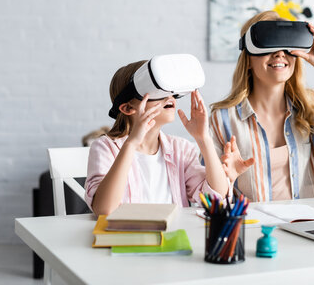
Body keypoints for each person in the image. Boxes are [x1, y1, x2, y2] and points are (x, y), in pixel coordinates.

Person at [210, 11, 314, 202]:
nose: (279, 54)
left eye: (286, 47)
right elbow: (211, 197)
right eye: (269, 45)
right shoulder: (222, 120)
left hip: (310, 227)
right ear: (248, 59)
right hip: (255, 228)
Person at [85, 60, 230, 215]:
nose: (169, 96)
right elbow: (104, 209)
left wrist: (204, 139)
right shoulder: (105, 148)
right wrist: (131, 143)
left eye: (170, 90)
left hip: (172, 235)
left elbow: (216, 198)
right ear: (127, 108)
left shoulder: (181, 149)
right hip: (128, 237)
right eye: (157, 91)